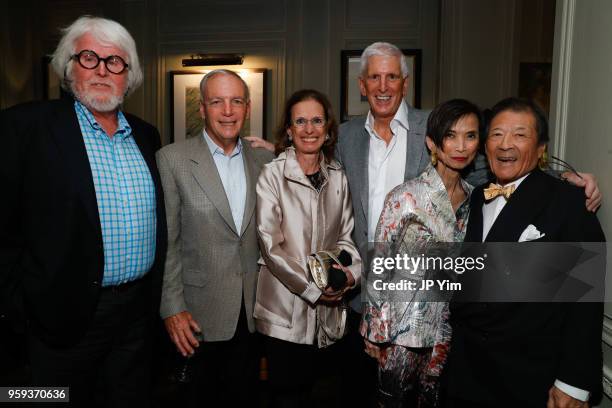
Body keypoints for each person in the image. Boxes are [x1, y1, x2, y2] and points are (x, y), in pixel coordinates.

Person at [0, 16, 167, 407]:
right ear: (68, 66)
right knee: (48, 400)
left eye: (115, 62)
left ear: (130, 75)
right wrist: (18, 310)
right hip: (59, 317)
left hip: (136, 316)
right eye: (89, 58)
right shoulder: (24, 127)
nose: (102, 71)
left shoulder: (146, 134)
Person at [445, 97, 605, 407]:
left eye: (520, 135)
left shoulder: (570, 203)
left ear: (542, 148)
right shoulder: (477, 197)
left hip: (527, 381)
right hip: (467, 374)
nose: (506, 144)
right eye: (496, 134)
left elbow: (586, 303)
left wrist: (573, 383)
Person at [156, 69, 274, 406]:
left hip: (252, 314)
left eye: (236, 101)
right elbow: (169, 244)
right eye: (217, 102)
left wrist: (279, 146)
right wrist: (171, 308)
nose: (227, 111)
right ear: (202, 109)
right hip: (196, 316)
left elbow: (310, 160)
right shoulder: (172, 160)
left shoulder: (264, 160)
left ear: (247, 109)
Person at [360, 99, 482, 407]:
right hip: (402, 334)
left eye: (470, 136)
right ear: (432, 143)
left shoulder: (475, 199)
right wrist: (376, 333)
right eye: (451, 136)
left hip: (449, 332)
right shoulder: (406, 197)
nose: (461, 146)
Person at [255, 89, 362, 406]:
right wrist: (316, 289)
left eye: (317, 121)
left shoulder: (338, 177)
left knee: (326, 395)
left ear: (328, 129)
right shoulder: (272, 175)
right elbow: (271, 247)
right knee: (288, 397)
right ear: (288, 129)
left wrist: (348, 278)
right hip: (284, 315)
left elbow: (346, 238)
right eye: (300, 121)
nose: (309, 129)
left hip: (330, 315)